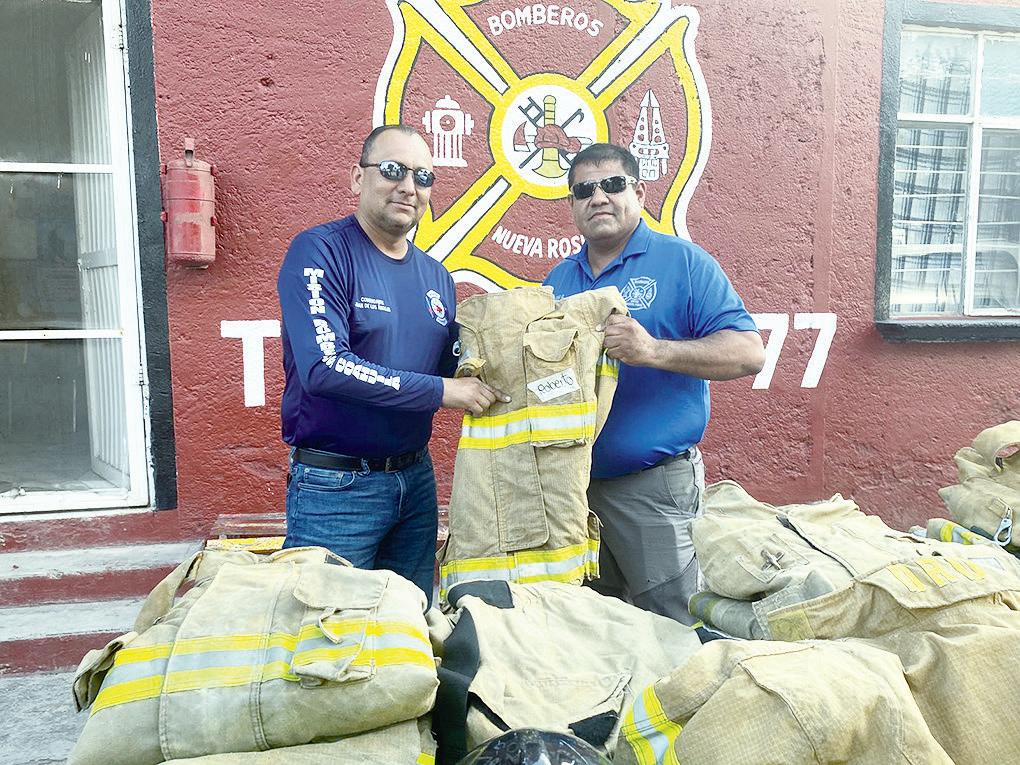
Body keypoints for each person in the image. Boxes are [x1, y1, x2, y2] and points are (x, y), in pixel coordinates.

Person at [277, 124, 507, 605]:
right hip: (336, 490)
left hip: (415, 482)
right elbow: (324, 367)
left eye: (422, 176)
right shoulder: (320, 251)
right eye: (391, 170)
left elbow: (452, 365)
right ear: (357, 178)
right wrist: (444, 392)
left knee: (410, 626)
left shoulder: (436, 276)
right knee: (327, 633)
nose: (408, 186)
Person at [543, 143, 765, 624]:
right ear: (572, 205)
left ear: (639, 193)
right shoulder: (559, 280)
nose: (598, 197)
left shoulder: (683, 262)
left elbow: (749, 353)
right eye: (584, 190)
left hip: (653, 489)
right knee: (589, 627)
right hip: (573, 492)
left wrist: (654, 351)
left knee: (673, 625)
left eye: (612, 185)